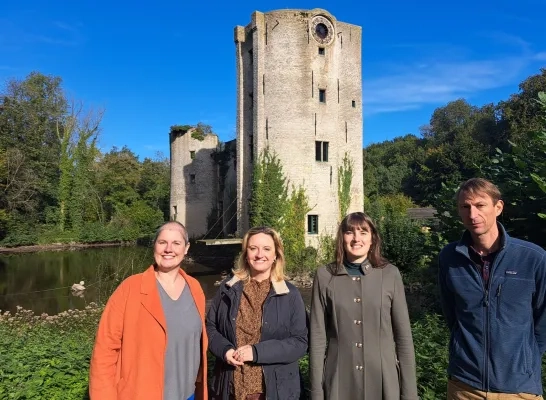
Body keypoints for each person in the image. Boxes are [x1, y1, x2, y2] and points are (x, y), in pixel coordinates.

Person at [439, 177, 546, 399]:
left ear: (498, 207)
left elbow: (543, 321)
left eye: (480, 205)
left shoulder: (532, 258)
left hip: (519, 389)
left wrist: (526, 364)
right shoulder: (449, 258)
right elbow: (453, 315)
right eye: (465, 207)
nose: (472, 214)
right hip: (465, 386)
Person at [89, 221, 208, 400]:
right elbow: (105, 351)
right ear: (154, 246)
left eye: (176, 243)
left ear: (186, 248)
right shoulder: (130, 288)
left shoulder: (195, 288)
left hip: (188, 395)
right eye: (162, 242)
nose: (169, 249)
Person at [309, 211, 418, 400]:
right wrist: (316, 392)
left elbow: (404, 339)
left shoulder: (390, 274)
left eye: (363, 232)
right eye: (350, 232)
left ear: (372, 239)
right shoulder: (324, 276)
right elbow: (317, 339)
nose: (356, 238)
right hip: (339, 379)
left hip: (384, 379)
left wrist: (409, 394)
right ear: (342, 237)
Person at [206, 226, 308, 400]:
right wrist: (225, 351)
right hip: (230, 387)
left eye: (267, 249)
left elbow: (300, 343)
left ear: (276, 255)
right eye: (253, 248)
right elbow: (210, 327)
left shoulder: (289, 294)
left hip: (272, 391)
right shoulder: (228, 288)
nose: (259, 254)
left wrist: (257, 352)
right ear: (246, 253)